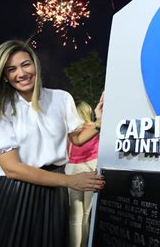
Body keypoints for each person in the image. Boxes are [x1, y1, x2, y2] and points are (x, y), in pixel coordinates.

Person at [0, 40, 104, 247]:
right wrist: (71, 181)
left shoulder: (61, 98)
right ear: (3, 75)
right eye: (11, 69)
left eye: (25, 64)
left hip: (53, 192)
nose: (21, 73)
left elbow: (76, 139)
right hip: (13, 192)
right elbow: (12, 169)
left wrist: (99, 122)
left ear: (35, 64)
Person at [66, 100, 101, 247]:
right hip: (90, 168)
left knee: (75, 217)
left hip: (71, 169)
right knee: (87, 215)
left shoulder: (70, 132)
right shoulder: (94, 129)